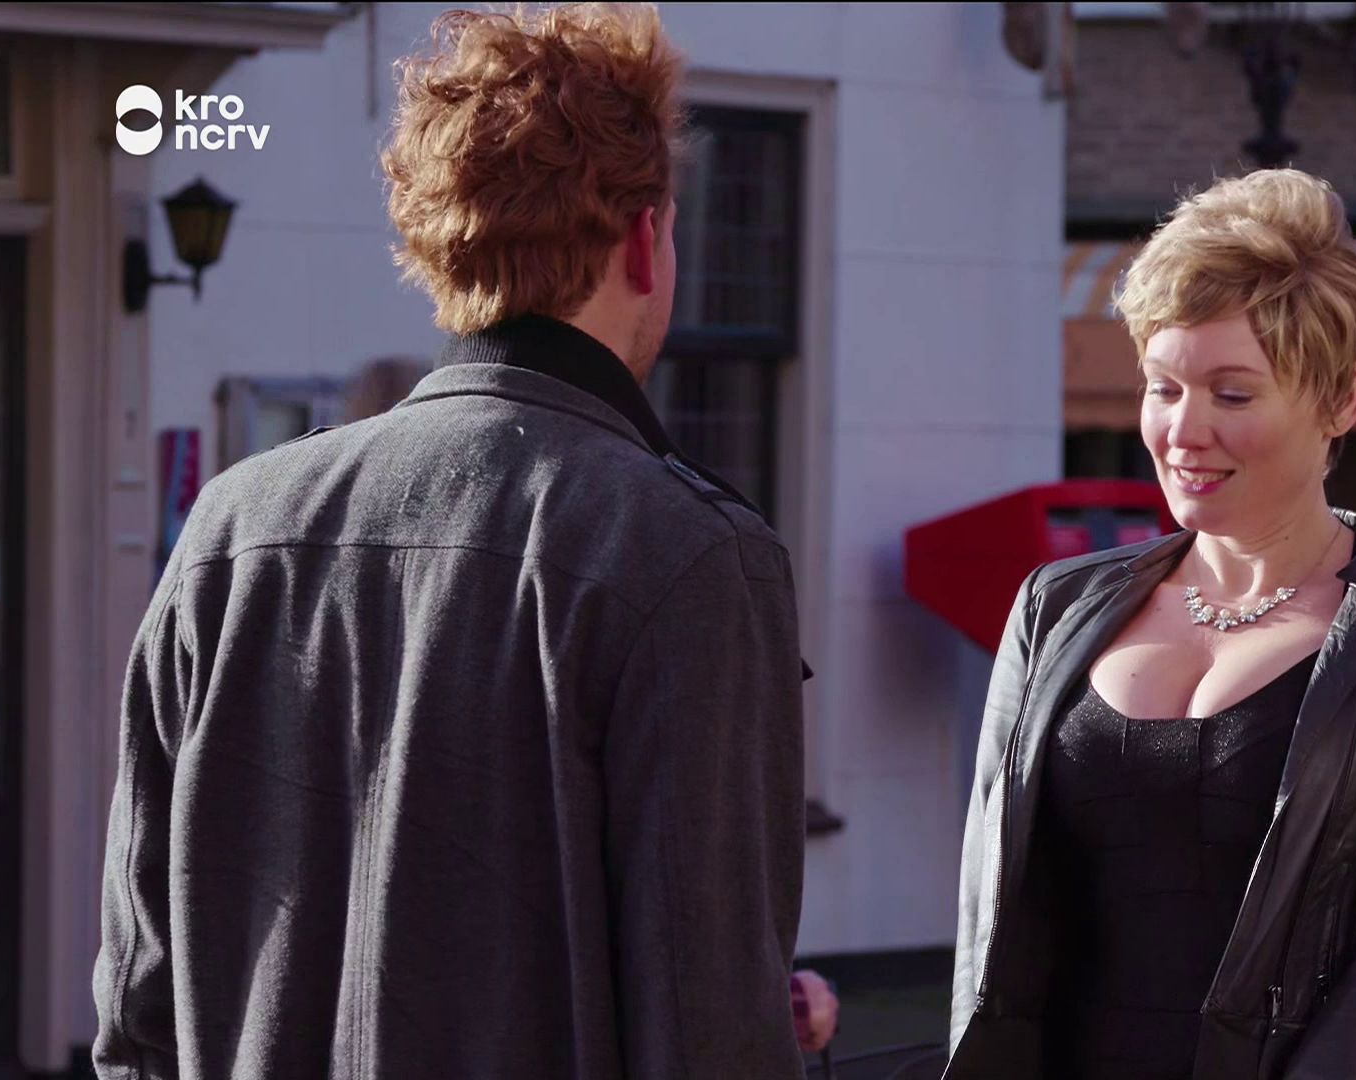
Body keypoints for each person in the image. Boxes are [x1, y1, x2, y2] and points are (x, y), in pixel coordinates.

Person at [93, 6, 831, 1078]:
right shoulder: (684, 552)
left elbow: (138, 1010)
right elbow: (709, 1031)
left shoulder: (231, 529)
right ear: (645, 240)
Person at [946, 169, 1356, 1079]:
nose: (1183, 432)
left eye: (1232, 394)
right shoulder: (1053, 606)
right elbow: (989, 925)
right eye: (1163, 388)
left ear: (1340, 401)